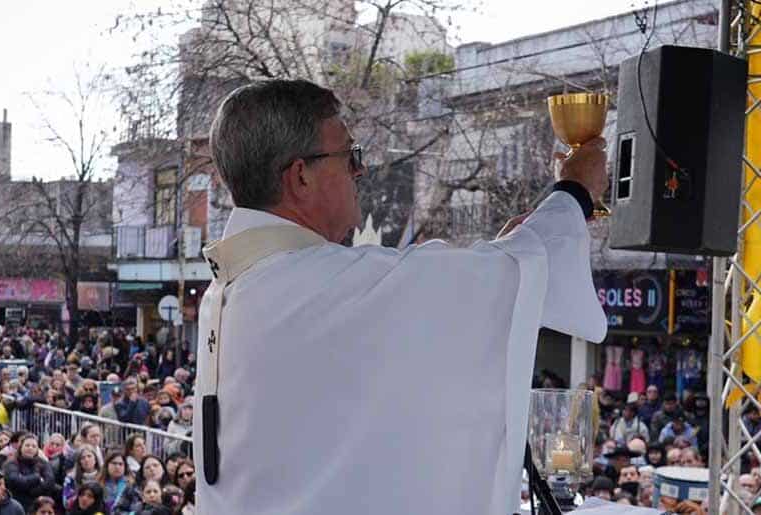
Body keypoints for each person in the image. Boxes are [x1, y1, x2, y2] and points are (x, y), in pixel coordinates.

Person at [194, 80, 608, 514]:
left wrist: (495, 261)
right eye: (349, 156)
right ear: (300, 176)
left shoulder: (235, 289)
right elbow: (523, 269)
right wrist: (576, 190)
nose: (360, 171)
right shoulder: (326, 286)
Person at [2, 434, 54, 513]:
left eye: (34, 446)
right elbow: (14, 480)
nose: (30, 448)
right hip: (18, 504)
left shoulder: (43, 463)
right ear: (20, 447)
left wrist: (33, 491)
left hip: (38, 506)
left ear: (37, 449)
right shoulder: (11, 463)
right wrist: (37, 477)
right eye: (27, 445)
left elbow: (49, 482)